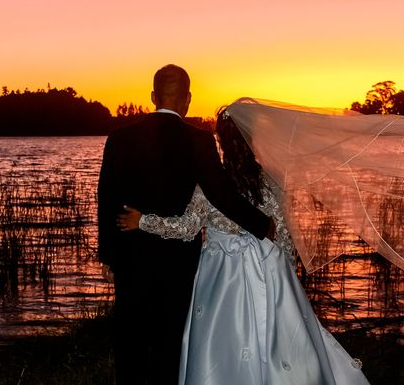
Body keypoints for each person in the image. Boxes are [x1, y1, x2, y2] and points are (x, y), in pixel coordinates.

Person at [118, 105, 370, 384]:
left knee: (221, 346)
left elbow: (187, 227)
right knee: (279, 344)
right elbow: (283, 234)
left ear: (220, 141)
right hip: (267, 268)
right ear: (253, 139)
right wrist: (286, 275)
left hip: (221, 277)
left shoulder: (211, 185)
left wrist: (142, 221)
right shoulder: (270, 182)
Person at [97, 65, 273, 385]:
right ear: (188, 99)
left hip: (131, 256)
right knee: (169, 339)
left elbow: (106, 197)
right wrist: (262, 225)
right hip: (177, 261)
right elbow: (220, 193)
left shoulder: (120, 137)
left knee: (131, 339)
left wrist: (108, 256)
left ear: (153, 96)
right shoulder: (198, 140)